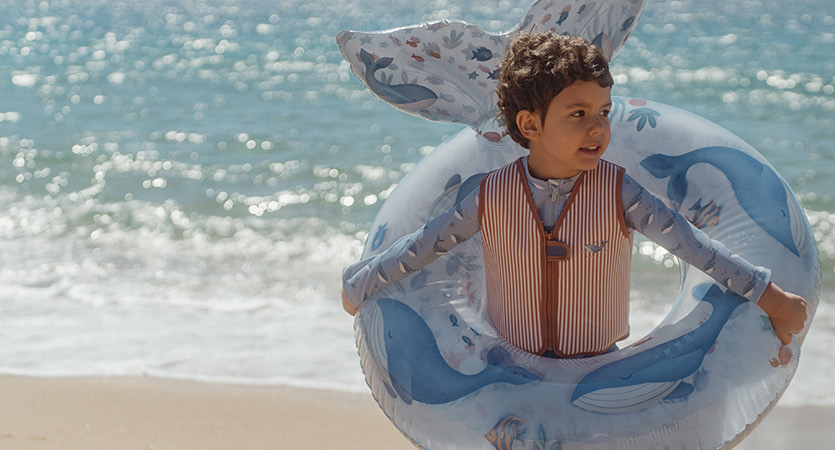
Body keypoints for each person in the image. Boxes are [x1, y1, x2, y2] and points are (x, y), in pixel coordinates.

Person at [340, 31, 809, 361]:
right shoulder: (491, 195)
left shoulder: (618, 191)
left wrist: (770, 295)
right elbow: (424, 245)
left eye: (603, 111)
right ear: (530, 125)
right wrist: (360, 284)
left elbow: (695, 247)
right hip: (512, 364)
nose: (598, 127)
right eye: (579, 113)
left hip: (599, 361)